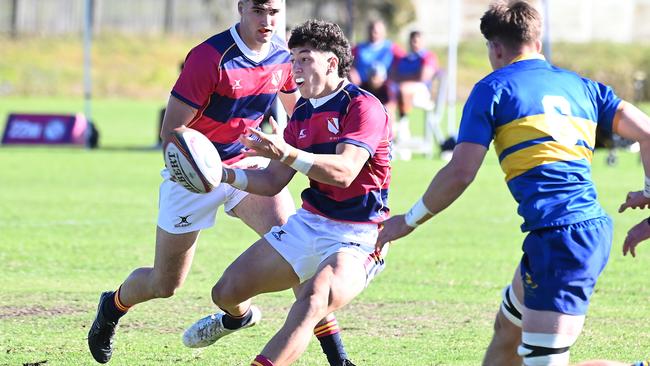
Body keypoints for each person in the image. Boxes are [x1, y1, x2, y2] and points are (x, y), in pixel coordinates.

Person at [375, 1, 650, 366]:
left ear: (496, 47)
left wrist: (407, 221)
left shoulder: (492, 89)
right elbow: (646, 133)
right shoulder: (583, 87)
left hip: (562, 237)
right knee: (508, 332)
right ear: (537, 40)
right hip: (568, 233)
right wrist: (648, 191)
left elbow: (460, 173)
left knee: (543, 360)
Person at [87, 1, 354, 365]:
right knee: (165, 284)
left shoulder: (282, 56)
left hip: (249, 166)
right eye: (259, 10)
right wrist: (201, 167)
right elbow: (172, 131)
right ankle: (112, 306)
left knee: (300, 256)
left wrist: (293, 145)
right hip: (194, 173)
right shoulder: (209, 57)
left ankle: (338, 358)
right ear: (241, 8)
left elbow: (298, 112)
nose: (268, 20)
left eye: (275, 11)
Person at [181, 19, 392, 366]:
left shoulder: (362, 107)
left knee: (311, 301)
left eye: (304, 58)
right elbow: (272, 182)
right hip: (309, 224)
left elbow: (345, 172)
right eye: (292, 59)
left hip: (360, 236)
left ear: (331, 63)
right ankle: (236, 318)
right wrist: (222, 173)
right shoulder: (302, 115)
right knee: (226, 291)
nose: (294, 68)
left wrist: (287, 152)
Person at [389, 30, 439, 143]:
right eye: (412, 41)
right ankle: (393, 136)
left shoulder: (428, 57)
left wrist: (403, 78)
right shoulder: (404, 59)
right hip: (401, 93)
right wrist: (408, 77)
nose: (414, 43)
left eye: (417, 41)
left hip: (424, 93)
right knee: (387, 95)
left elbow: (423, 77)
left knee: (403, 88)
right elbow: (393, 75)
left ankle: (403, 123)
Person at [350, 20, 405, 107]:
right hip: (362, 85)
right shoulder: (358, 48)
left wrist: (394, 74)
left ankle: (392, 118)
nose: (374, 33)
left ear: (383, 32)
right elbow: (346, 62)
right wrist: (351, 71)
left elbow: (405, 62)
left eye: (377, 31)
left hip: (384, 85)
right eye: (372, 30)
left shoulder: (391, 48)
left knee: (390, 97)